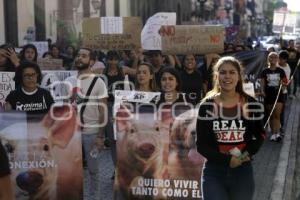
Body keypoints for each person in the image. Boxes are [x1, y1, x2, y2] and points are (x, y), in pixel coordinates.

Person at [196, 56, 265, 200]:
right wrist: (227, 161)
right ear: (217, 76)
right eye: (223, 72)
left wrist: (242, 156)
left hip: (242, 171)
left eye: (232, 72)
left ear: (239, 76)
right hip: (213, 172)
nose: (227, 76)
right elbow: (201, 145)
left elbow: (260, 137)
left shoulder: (250, 103)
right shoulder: (207, 106)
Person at [64, 47, 108, 200]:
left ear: (92, 61)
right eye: (78, 55)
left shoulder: (98, 82)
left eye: (84, 56)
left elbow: (103, 111)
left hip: (91, 133)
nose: (79, 58)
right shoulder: (69, 81)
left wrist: (101, 136)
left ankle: (94, 197)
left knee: (93, 170)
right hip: (71, 134)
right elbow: (64, 106)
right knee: (72, 171)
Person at [261, 52, 287, 142]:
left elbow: (285, 82)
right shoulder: (265, 71)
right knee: (271, 115)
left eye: (275, 57)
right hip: (268, 95)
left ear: (277, 59)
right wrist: (262, 91)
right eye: (271, 57)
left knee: (277, 115)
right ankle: (273, 133)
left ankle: (277, 133)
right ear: (268, 59)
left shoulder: (281, 71)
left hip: (278, 95)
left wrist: (283, 85)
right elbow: (262, 83)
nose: (273, 59)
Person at [278, 50, 291, 136]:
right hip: (272, 91)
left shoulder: (287, 69)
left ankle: (281, 127)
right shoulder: (276, 64)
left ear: (285, 60)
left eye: (281, 59)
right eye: (279, 58)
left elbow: (285, 82)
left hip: (282, 92)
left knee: (281, 111)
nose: (279, 60)